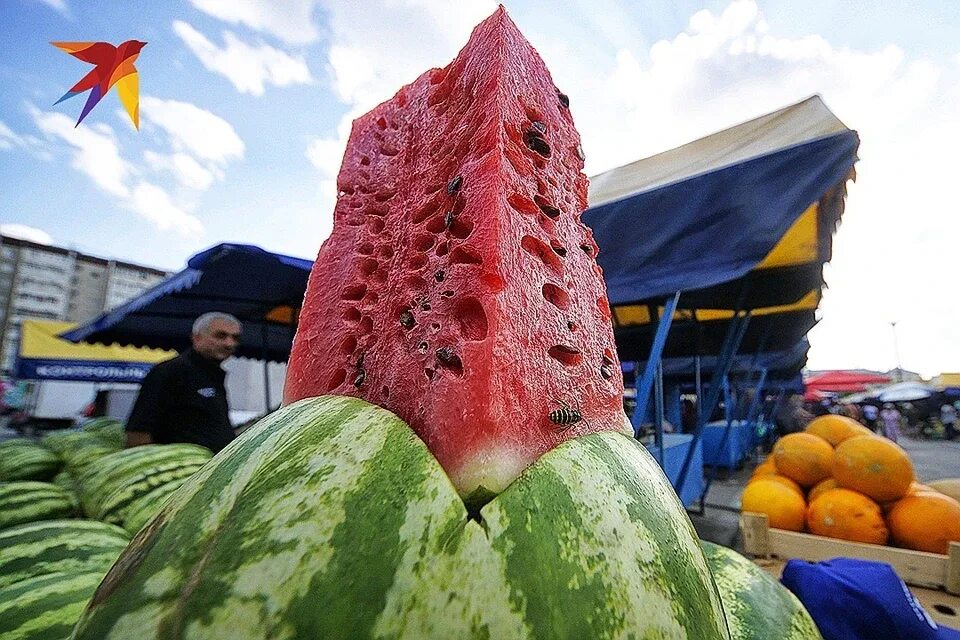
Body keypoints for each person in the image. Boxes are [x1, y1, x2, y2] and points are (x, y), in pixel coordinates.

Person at [125, 312, 242, 453]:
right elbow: (138, 431)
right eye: (220, 336)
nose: (229, 343)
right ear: (196, 337)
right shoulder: (171, 371)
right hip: (181, 470)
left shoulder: (214, 375)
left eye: (235, 338)